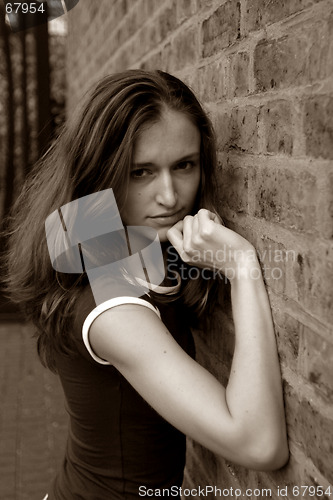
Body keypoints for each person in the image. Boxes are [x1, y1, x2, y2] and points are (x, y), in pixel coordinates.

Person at [4, 69, 288, 499]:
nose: (170, 196)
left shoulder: (95, 240)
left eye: (184, 166)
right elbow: (258, 444)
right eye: (141, 173)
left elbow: (65, 226)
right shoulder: (115, 312)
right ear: (100, 172)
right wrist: (242, 266)